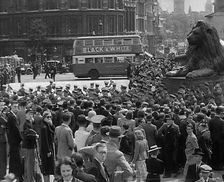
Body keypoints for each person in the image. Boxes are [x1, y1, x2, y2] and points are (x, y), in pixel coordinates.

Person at [6, 101, 23, 182]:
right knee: (16, 160)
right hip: (15, 142)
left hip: (13, 141)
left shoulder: (12, 116)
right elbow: (16, 130)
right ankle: (15, 177)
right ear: (11, 107)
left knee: (14, 160)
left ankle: (12, 176)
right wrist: (21, 139)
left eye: (17, 106)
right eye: (14, 107)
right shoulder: (12, 116)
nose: (16, 108)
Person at [22, 109, 39, 182]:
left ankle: (28, 179)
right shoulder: (26, 123)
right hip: (29, 147)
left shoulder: (30, 122)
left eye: (31, 114)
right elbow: (27, 135)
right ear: (26, 115)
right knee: (29, 166)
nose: (30, 115)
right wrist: (35, 136)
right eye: (29, 114)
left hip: (30, 146)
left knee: (29, 165)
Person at [40, 111, 55, 182]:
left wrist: (51, 124)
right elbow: (44, 140)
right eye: (47, 117)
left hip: (49, 148)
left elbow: (54, 131)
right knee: (46, 168)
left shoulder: (48, 124)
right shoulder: (44, 126)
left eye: (50, 117)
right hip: (46, 150)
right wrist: (48, 150)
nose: (49, 118)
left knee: (49, 168)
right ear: (44, 117)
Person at [0, 105, 7, 180]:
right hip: (2, 140)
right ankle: (2, 175)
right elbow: (6, 123)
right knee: (2, 159)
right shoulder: (1, 119)